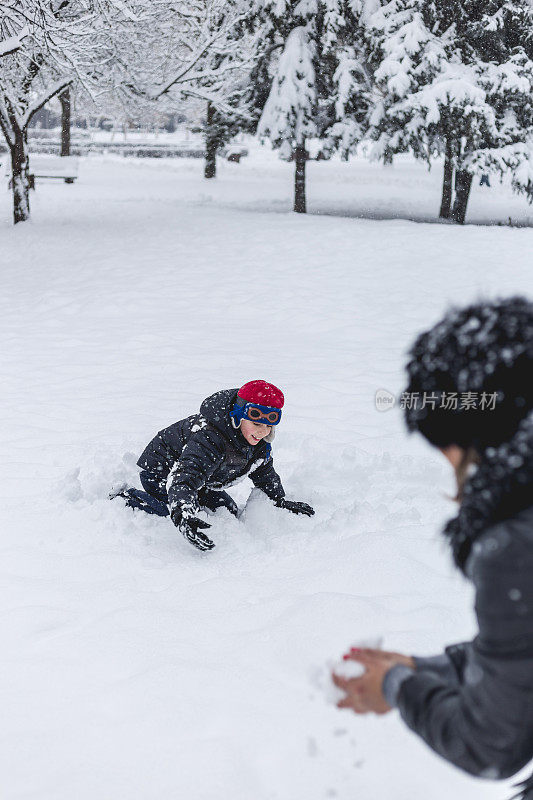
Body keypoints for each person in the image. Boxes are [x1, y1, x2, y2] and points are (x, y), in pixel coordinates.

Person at [332, 297, 533, 796]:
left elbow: (491, 746)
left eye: (447, 449)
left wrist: (397, 687)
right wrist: (425, 669)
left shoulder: (516, 548)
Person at [113, 380, 314, 551]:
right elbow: (185, 476)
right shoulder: (210, 437)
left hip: (202, 480)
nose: (263, 432)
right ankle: (126, 497)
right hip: (161, 472)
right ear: (238, 415)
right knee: (172, 514)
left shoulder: (257, 442)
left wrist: (278, 500)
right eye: (257, 424)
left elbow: (264, 472)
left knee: (227, 511)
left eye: (269, 425)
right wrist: (182, 512)